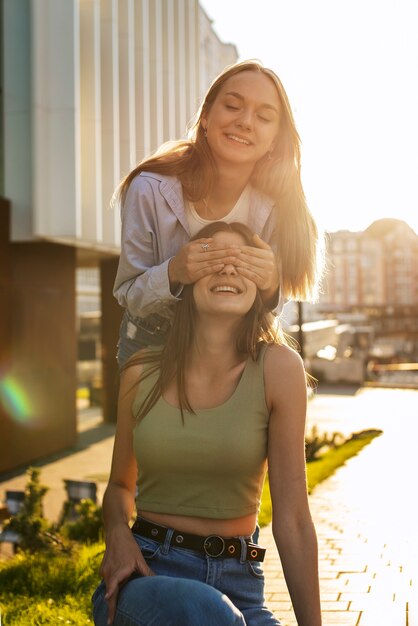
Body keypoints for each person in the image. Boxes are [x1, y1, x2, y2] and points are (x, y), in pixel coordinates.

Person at [92, 221, 322, 626]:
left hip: (241, 586)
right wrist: (117, 533)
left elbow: (294, 518)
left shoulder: (279, 369)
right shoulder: (140, 371)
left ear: (261, 287)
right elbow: (119, 487)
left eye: (244, 262)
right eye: (213, 258)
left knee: (220, 615)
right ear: (186, 278)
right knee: (211, 613)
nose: (229, 270)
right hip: (147, 575)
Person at [113, 59, 320, 367]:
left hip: (235, 347)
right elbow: (129, 294)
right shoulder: (149, 190)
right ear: (206, 116)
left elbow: (275, 303)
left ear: (274, 140)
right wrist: (174, 273)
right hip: (153, 344)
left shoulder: (280, 206)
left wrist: (271, 283)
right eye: (233, 106)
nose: (246, 122)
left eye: (264, 116)